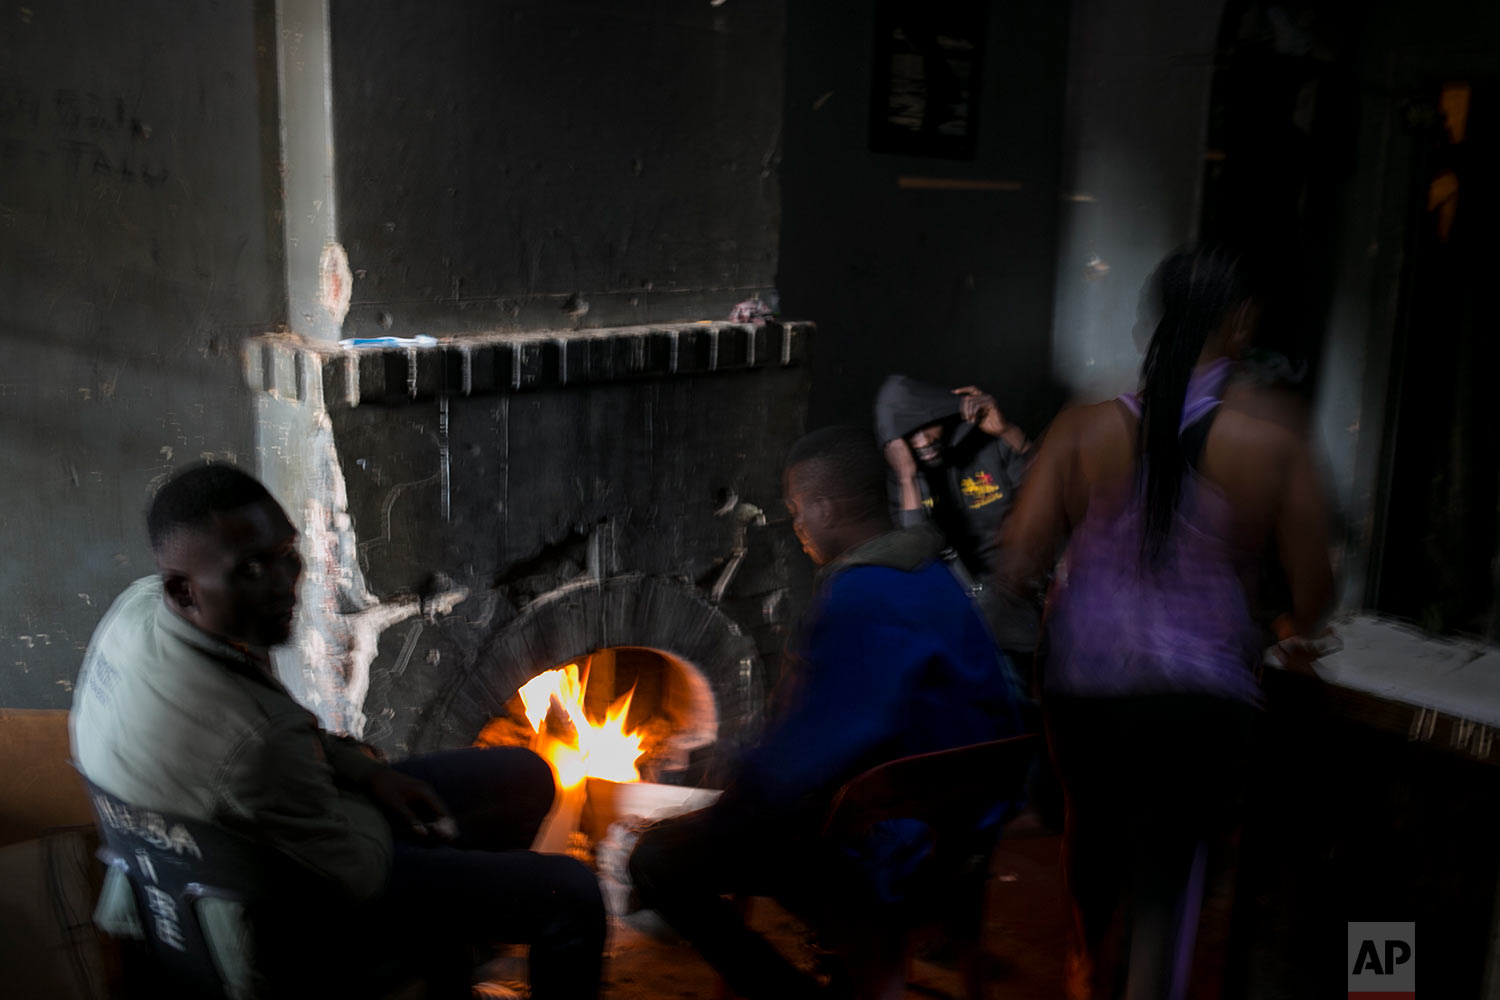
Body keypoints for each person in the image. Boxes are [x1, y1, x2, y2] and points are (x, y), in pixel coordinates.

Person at [71, 464, 605, 999]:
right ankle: (439, 947)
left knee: (526, 774)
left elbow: (279, 736)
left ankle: (455, 959)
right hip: (294, 919)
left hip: (226, 859)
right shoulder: (257, 744)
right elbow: (358, 869)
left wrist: (367, 772)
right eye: (252, 570)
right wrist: (403, 821)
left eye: (286, 554)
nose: (286, 585)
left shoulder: (137, 610)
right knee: (572, 894)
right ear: (185, 592)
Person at [995, 246, 1335, 1000]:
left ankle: (1087, 963)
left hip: (1083, 680)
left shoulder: (1083, 427)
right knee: (1167, 875)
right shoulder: (1272, 436)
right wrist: (1274, 612)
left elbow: (1017, 559)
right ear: (1241, 322)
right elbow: (1314, 591)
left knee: (1093, 828)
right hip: (1195, 697)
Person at [628, 425, 1027, 999]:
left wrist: (726, 790)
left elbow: (797, 767)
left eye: (796, 510)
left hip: (890, 861)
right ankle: (847, 971)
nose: (797, 528)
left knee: (658, 858)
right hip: (960, 848)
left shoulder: (857, 601)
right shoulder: (934, 578)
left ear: (823, 506)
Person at [874, 376, 1038, 654]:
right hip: (955, 609)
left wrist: (1006, 431)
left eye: (928, 427)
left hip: (1019, 588)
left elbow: (1048, 489)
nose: (923, 441)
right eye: (909, 433)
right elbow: (916, 557)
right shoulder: (902, 478)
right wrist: (907, 478)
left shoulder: (988, 444)